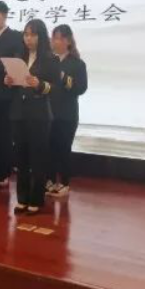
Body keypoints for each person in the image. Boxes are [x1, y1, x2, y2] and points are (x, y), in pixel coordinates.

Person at [6, 19, 60, 216]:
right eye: (26, 35)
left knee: (37, 159)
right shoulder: (19, 57)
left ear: (41, 36)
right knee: (21, 158)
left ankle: (36, 199)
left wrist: (40, 84)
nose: (28, 39)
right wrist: (9, 81)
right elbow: (16, 83)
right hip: (19, 112)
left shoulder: (51, 59)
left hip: (39, 114)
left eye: (33, 35)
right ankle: (22, 198)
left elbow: (56, 88)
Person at [0, 0, 24, 188]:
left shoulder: (15, 37)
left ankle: (3, 171)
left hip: (6, 95)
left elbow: (15, 63)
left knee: (3, 135)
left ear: (5, 16)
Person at [47, 25, 88, 197]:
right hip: (48, 112)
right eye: (54, 38)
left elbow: (81, 88)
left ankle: (64, 183)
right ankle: (49, 181)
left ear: (68, 41)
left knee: (63, 149)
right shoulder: (47, 60)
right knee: (48, 149)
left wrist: (63, 77)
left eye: (60, 38)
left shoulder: (77, 64)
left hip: (66, 114)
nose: (56, 42)